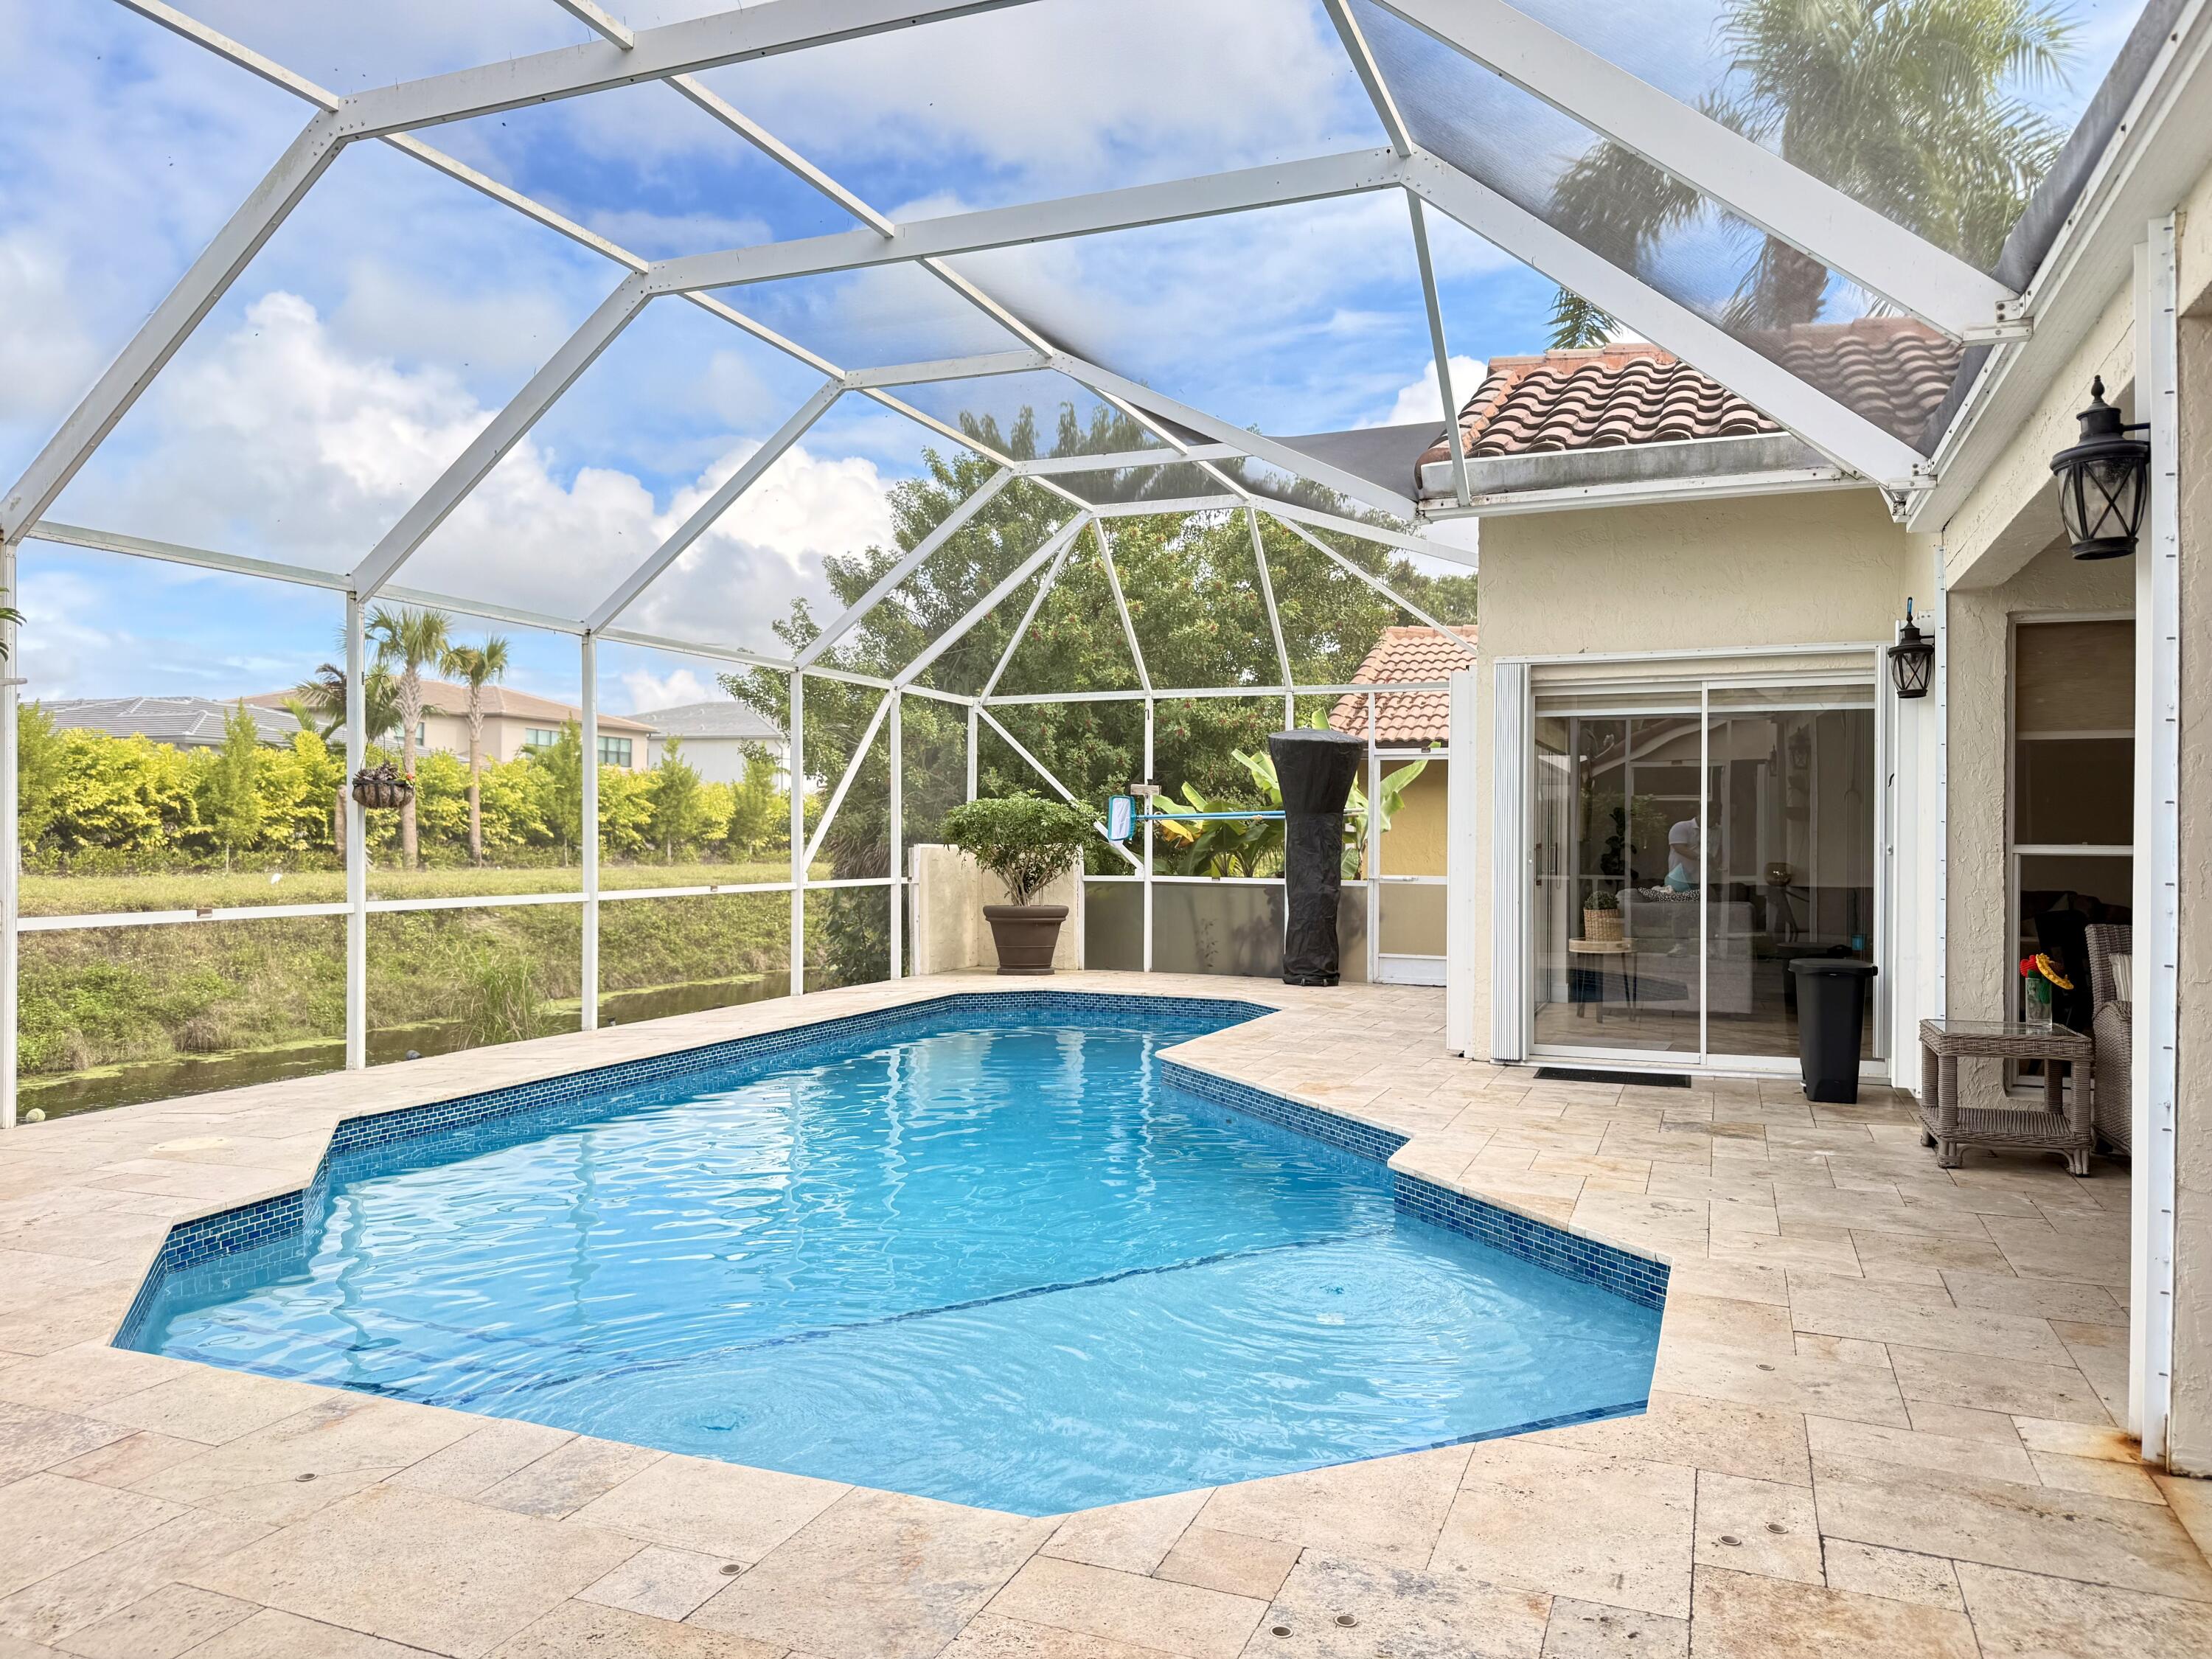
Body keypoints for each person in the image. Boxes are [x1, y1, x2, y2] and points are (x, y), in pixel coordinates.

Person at [1665, 816, 1701, 893]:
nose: (1714, 818)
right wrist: (1701, 857)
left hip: (1704, 878)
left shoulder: (1718, 830)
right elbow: (1679, 847)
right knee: (1680, 901)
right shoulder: (1681, 827)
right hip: (1680, 878)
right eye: (1712, 815)